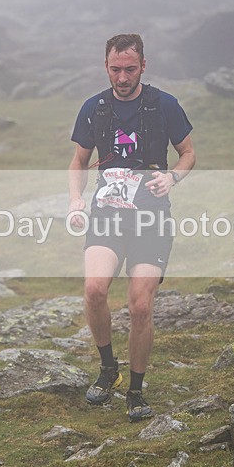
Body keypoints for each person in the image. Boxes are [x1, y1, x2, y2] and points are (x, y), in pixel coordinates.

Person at [68, 33, 196, 422]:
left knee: (140, 306)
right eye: (115, 69)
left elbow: (188, 153)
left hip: (150, 219)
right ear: (105, 66)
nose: (122, 78)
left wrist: (173, 177)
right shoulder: (94, 108)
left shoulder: (165, 105)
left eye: (129, 69)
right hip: (107, 214)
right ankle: (109, 369)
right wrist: (75, 200)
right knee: (94, 290)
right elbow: (79, 162)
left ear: (143, 65)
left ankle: (135, 392)